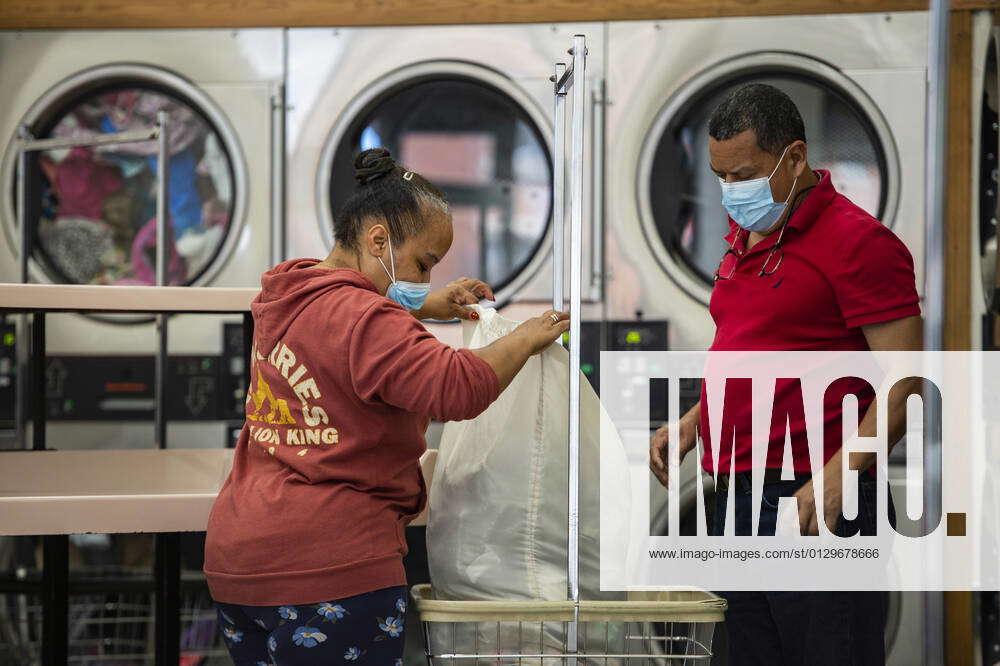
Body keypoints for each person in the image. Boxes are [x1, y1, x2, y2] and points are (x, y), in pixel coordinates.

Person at [204, 148, 569, 665]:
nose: (424, 278)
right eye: (423, 263)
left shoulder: (290, 291)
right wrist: (526, 337)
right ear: (379, 239)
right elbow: (455, 387)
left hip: (240, 560)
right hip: (329, 567)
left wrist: (424, 304)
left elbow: (344, 342)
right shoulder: (367, 318)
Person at [648, 84, 923, 665]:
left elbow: (906, 382)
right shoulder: (745, 240)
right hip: (737, 500)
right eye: (720, 176)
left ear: (794, 158)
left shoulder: (859, 245)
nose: (730, 192)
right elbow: (758, 347)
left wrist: (840, 474)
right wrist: (698, 421)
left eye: (743, 175)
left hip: (815, 500)